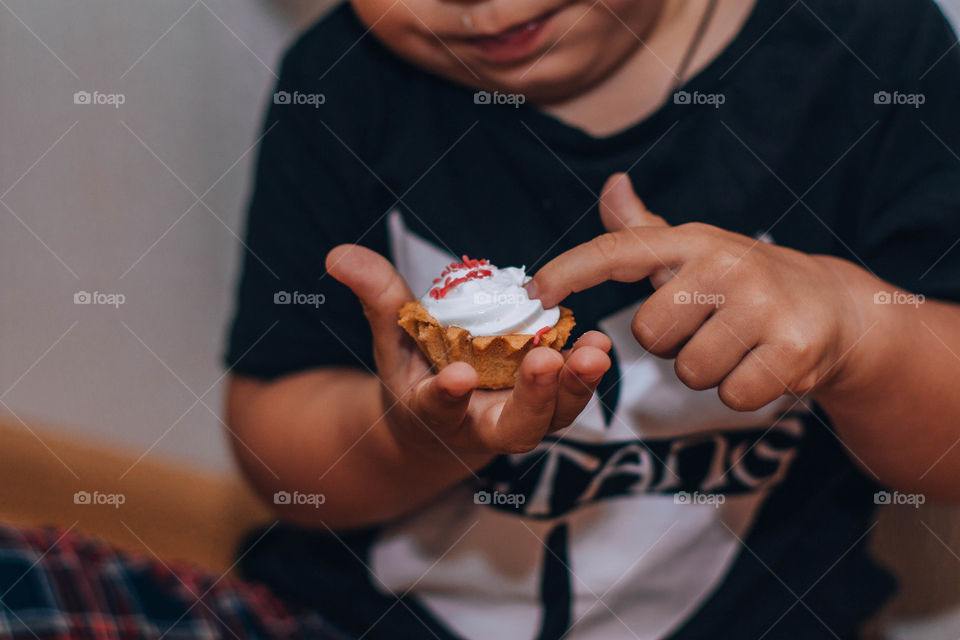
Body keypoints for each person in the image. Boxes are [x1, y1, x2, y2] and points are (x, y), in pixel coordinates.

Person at [3, 0, 960, 638]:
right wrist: (414, 438)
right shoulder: (341, 82)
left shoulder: (873, 52)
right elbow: (275, 451)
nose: (485, 3)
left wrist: (862, 335)